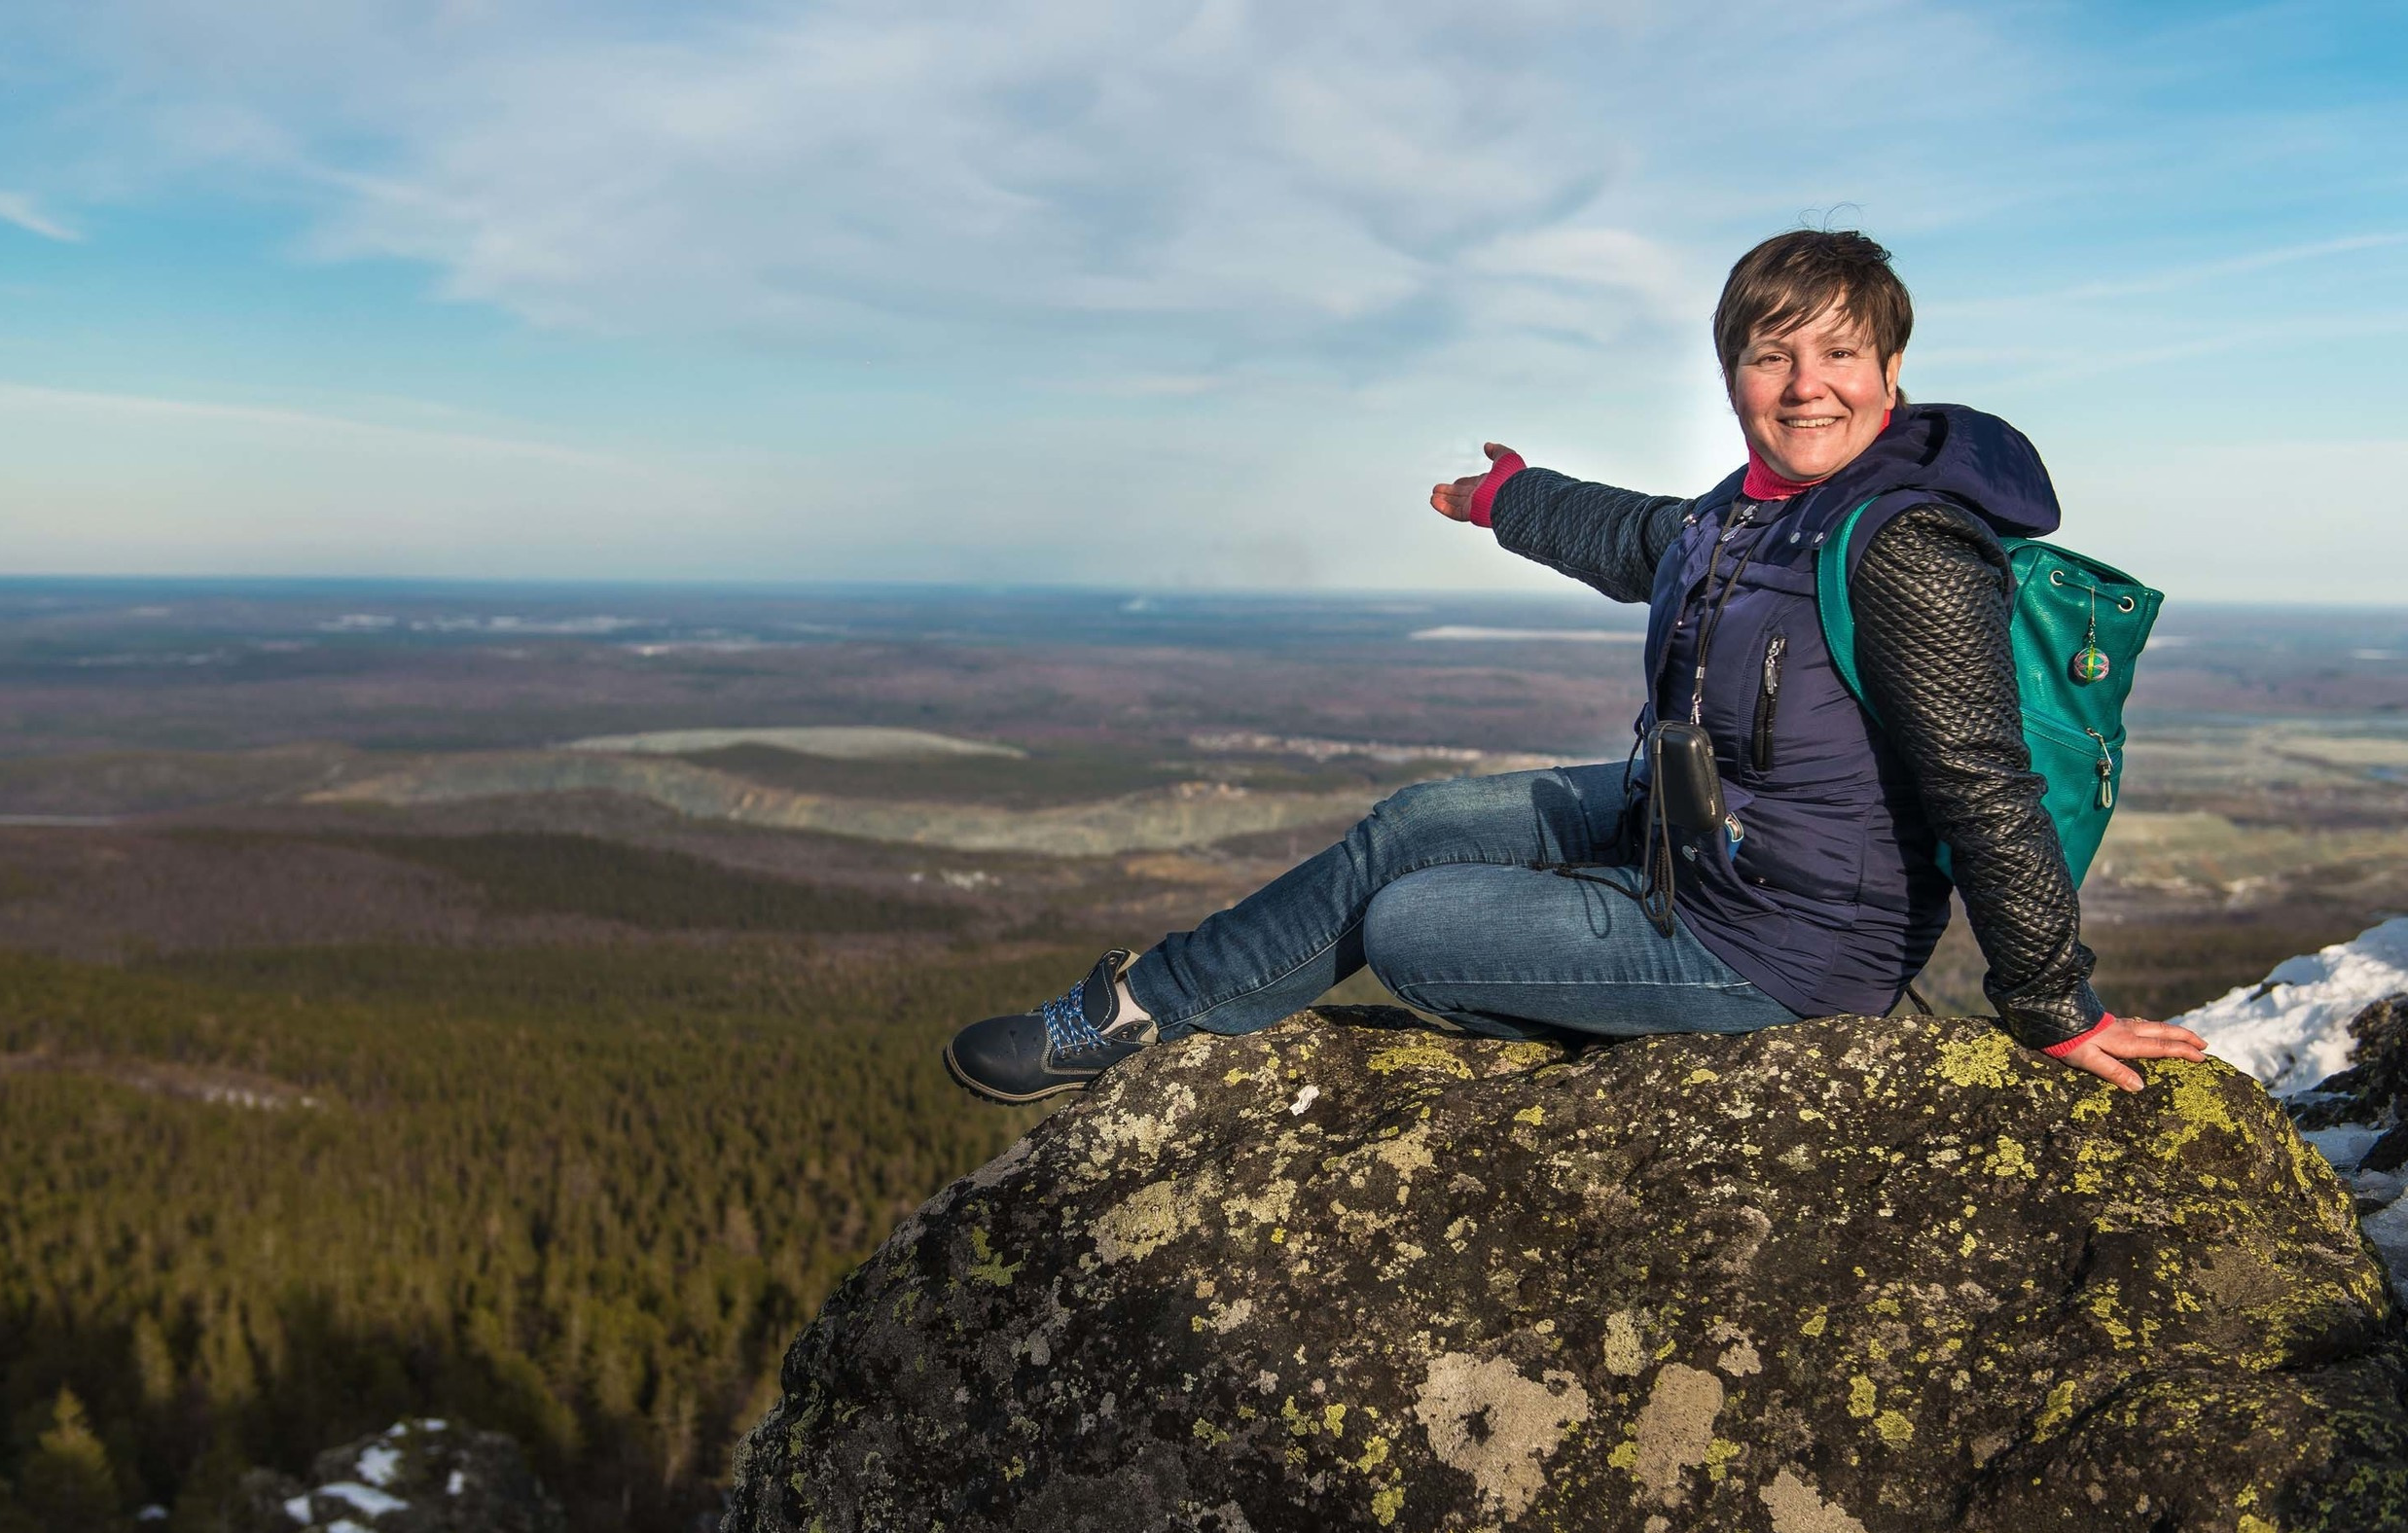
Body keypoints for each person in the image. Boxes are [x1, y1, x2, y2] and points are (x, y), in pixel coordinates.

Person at [945, 229, 2206, 1104]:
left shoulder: (1908, 544)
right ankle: (1138, 1009)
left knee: (1409, 926)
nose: (1805, 385)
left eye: (1838, 356)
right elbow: (1651, 541)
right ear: (1734, 379)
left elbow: (1986, 782)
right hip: (1698, 838)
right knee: (1415, 821)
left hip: (1784, 947)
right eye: (1773, 355)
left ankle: (1598, 1014)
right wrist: (1513, 498)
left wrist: (2053, 1002)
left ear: (1890, 377)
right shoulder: (1757, 509)